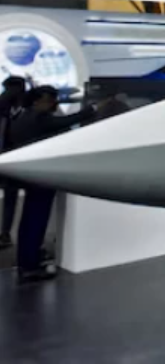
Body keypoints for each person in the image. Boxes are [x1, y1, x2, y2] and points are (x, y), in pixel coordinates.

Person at [9, 85, 96, 283]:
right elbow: (64, 122)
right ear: (37, 101)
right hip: (41, 178)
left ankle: (27, 261)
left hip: (29, 176)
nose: (54, 104)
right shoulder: (39, 118)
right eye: (50, 100)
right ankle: (30, 267)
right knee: (36, 220)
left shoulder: (20, 117)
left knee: (29, 221)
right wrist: (91, 110)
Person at [0, 76, 27, 249]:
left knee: (11, 197)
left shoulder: (28, 109)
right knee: (10, 197)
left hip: (20, 157)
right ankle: (5, 234)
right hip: (7, 156)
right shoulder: (4, 108)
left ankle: (5, 233)